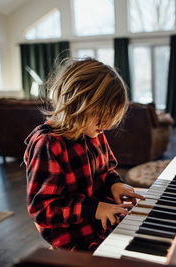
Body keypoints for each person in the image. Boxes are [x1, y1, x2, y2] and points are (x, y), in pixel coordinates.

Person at [23, 58, 145, 251]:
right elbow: (44, 210)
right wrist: (94, 208)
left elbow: (106, 170)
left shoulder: (94, 132)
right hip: (76, 239)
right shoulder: (48, 144)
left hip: (101, 221)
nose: (105, 125)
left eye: (110, 118)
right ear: (76, 104)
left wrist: (114, 184)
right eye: (100, 117)